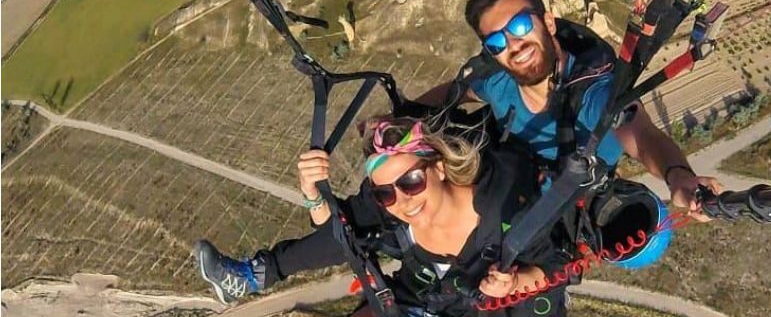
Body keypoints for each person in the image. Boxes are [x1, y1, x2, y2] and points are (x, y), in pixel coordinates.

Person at [415, 0, 723, 256]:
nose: (514, 45)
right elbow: (459, 92)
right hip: (504, 193)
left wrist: (679, 177)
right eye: (496, 42)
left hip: (547, 219)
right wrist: (403, 118)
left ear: (548, 23)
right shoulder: (497, 82)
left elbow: (642, 137)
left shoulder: (594, 94)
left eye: (520, 26)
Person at [196, 116, 569, 316]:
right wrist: (313, 195)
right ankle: (254, 275)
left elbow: (558, 264)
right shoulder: (391, 206)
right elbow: (338, 230)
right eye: (385, 191)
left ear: (438, 168)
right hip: (421, 300)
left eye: (411, 181)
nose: (402, 199)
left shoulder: (503, 205)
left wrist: (517, 282)